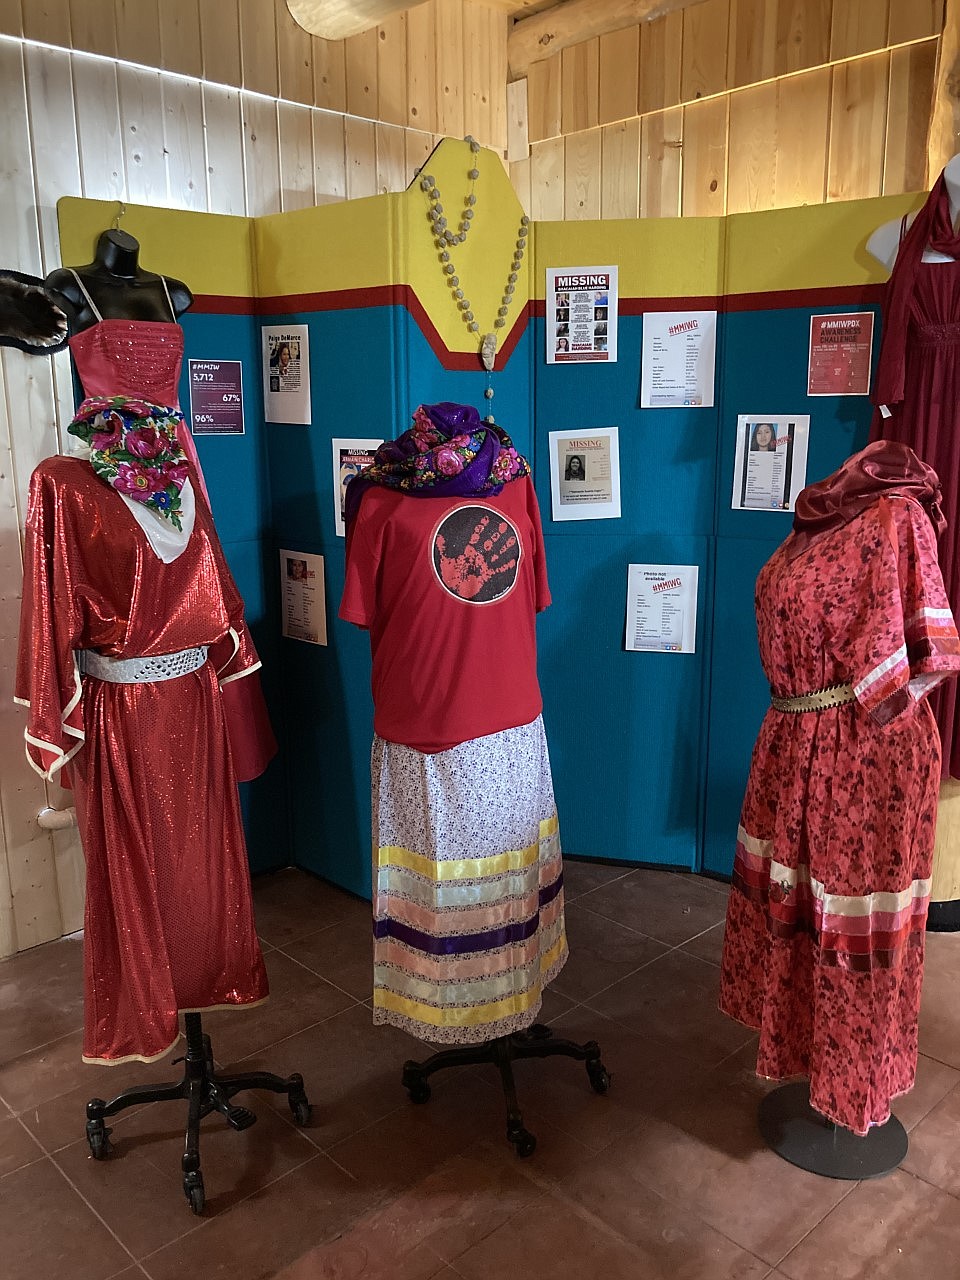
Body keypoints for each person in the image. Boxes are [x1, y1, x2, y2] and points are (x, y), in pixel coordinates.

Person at [719, 441, 960, 1135]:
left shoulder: (896, 515)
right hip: (792, 741)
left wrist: (846, 735)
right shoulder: (816, 521)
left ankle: (856, 1091)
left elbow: (914, 666)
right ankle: (807, 1060)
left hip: (865, 757)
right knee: (796, 918)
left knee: (855, 935)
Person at [339, 402, 567, 1045]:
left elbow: (363, 611)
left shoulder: (505, 481)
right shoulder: (385, 496)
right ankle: (472, 1013)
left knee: (488, 874)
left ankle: (489, 1004)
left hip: (484, 717)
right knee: (464, 881)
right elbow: (533, 596)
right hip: (439, 729)